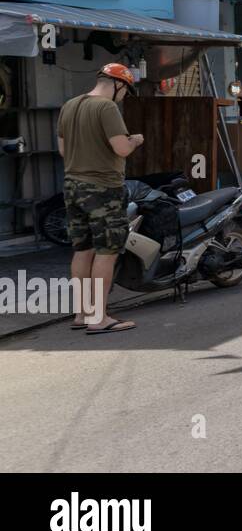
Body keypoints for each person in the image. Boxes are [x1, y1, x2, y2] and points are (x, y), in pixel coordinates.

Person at [58, 63, 144, 335]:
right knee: (107, 253)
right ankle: (99, 318)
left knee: (82, 250)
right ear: (119, 84)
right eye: (126, 91)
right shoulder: (107, 108)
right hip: (103, 189)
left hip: (72, 186)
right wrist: (135, 140)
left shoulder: (69, 105)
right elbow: (121, 148)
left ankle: (82, 314)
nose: (124, 96)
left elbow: (62, 149)